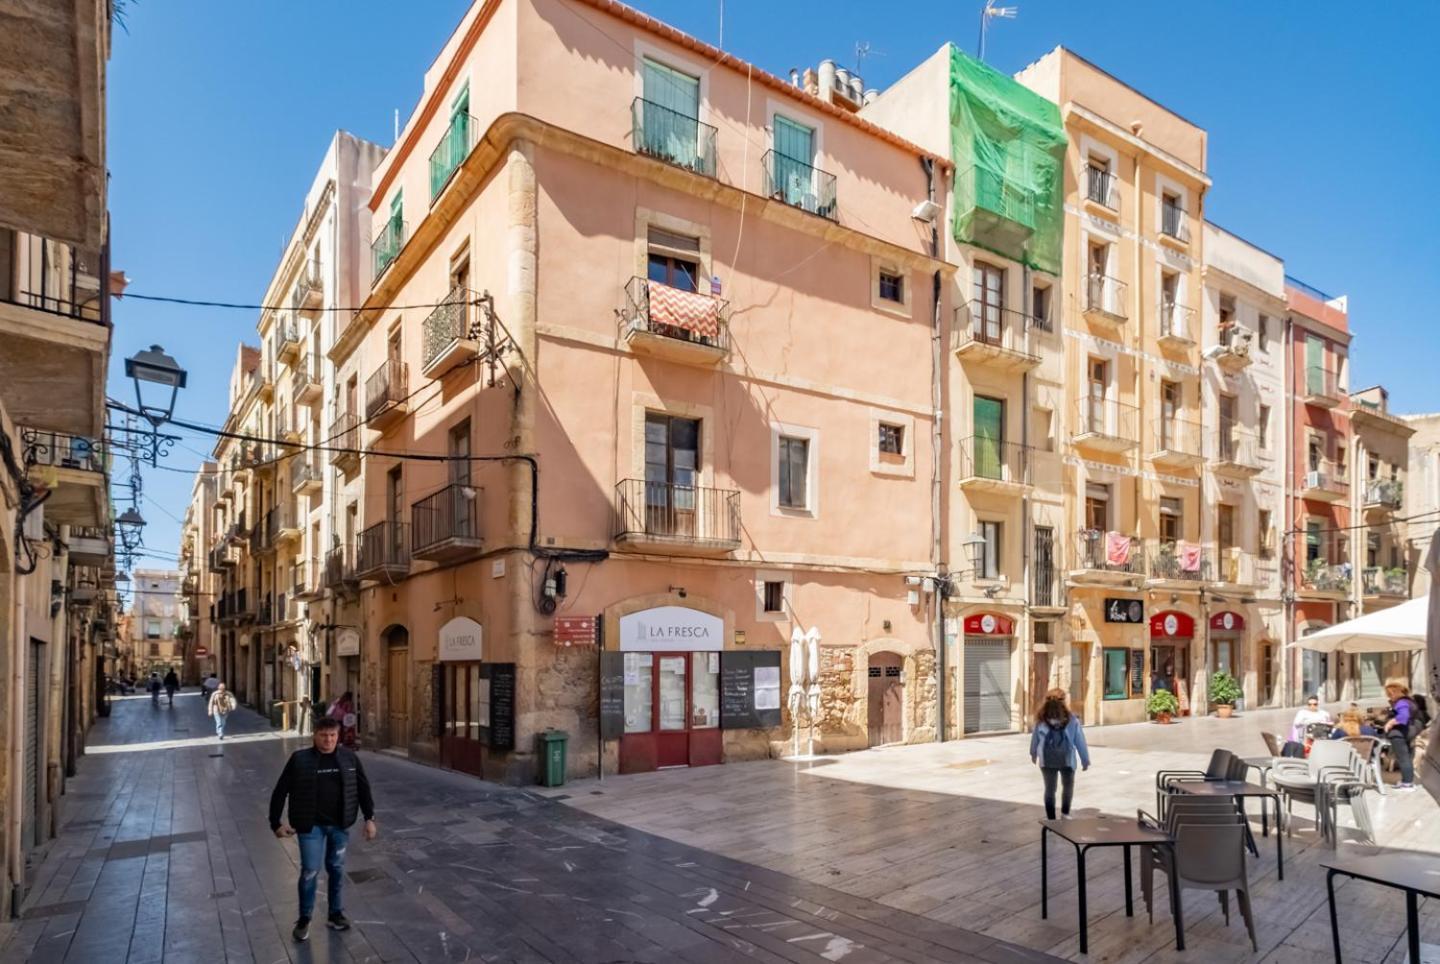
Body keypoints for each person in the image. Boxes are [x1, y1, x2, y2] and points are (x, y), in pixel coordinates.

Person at [269, 717, 378, 941]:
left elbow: (363, 788)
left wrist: (369, 818)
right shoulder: (300, 759)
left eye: (332, 735)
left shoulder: (349, 758)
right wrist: (276, 823)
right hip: (310, 826)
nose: (328, 740)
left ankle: (335, 914)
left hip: (340, 825)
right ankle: (304, 918)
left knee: (337, 869)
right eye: (323, 735)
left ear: (338, 736)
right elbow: (280, 791)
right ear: (314, 736)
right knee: (310, 870)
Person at [1029, 688, 1091, 820]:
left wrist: (1033, 754)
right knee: (1067, 786)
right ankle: (1065, 813)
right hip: (1067, 759)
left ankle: (1051, 818)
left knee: (1050, 789)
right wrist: (1085, 760)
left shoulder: (1041, 719)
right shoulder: (1072, 720)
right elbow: (1080, 741)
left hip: (1047, 760)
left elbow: (1035, 739)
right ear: (1064, 701)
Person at [1383, 682, 1421, 791]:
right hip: (1407, 732)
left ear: (1394, 692)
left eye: (1389, 694)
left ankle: (1407, 784)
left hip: (1398, 734)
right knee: (1407, 758)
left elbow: (1403, 717)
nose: (1389, 696)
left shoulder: (1401, 702)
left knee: (1403, 759)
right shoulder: (1410, 701)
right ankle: (1407, 781)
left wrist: (1389, 723)